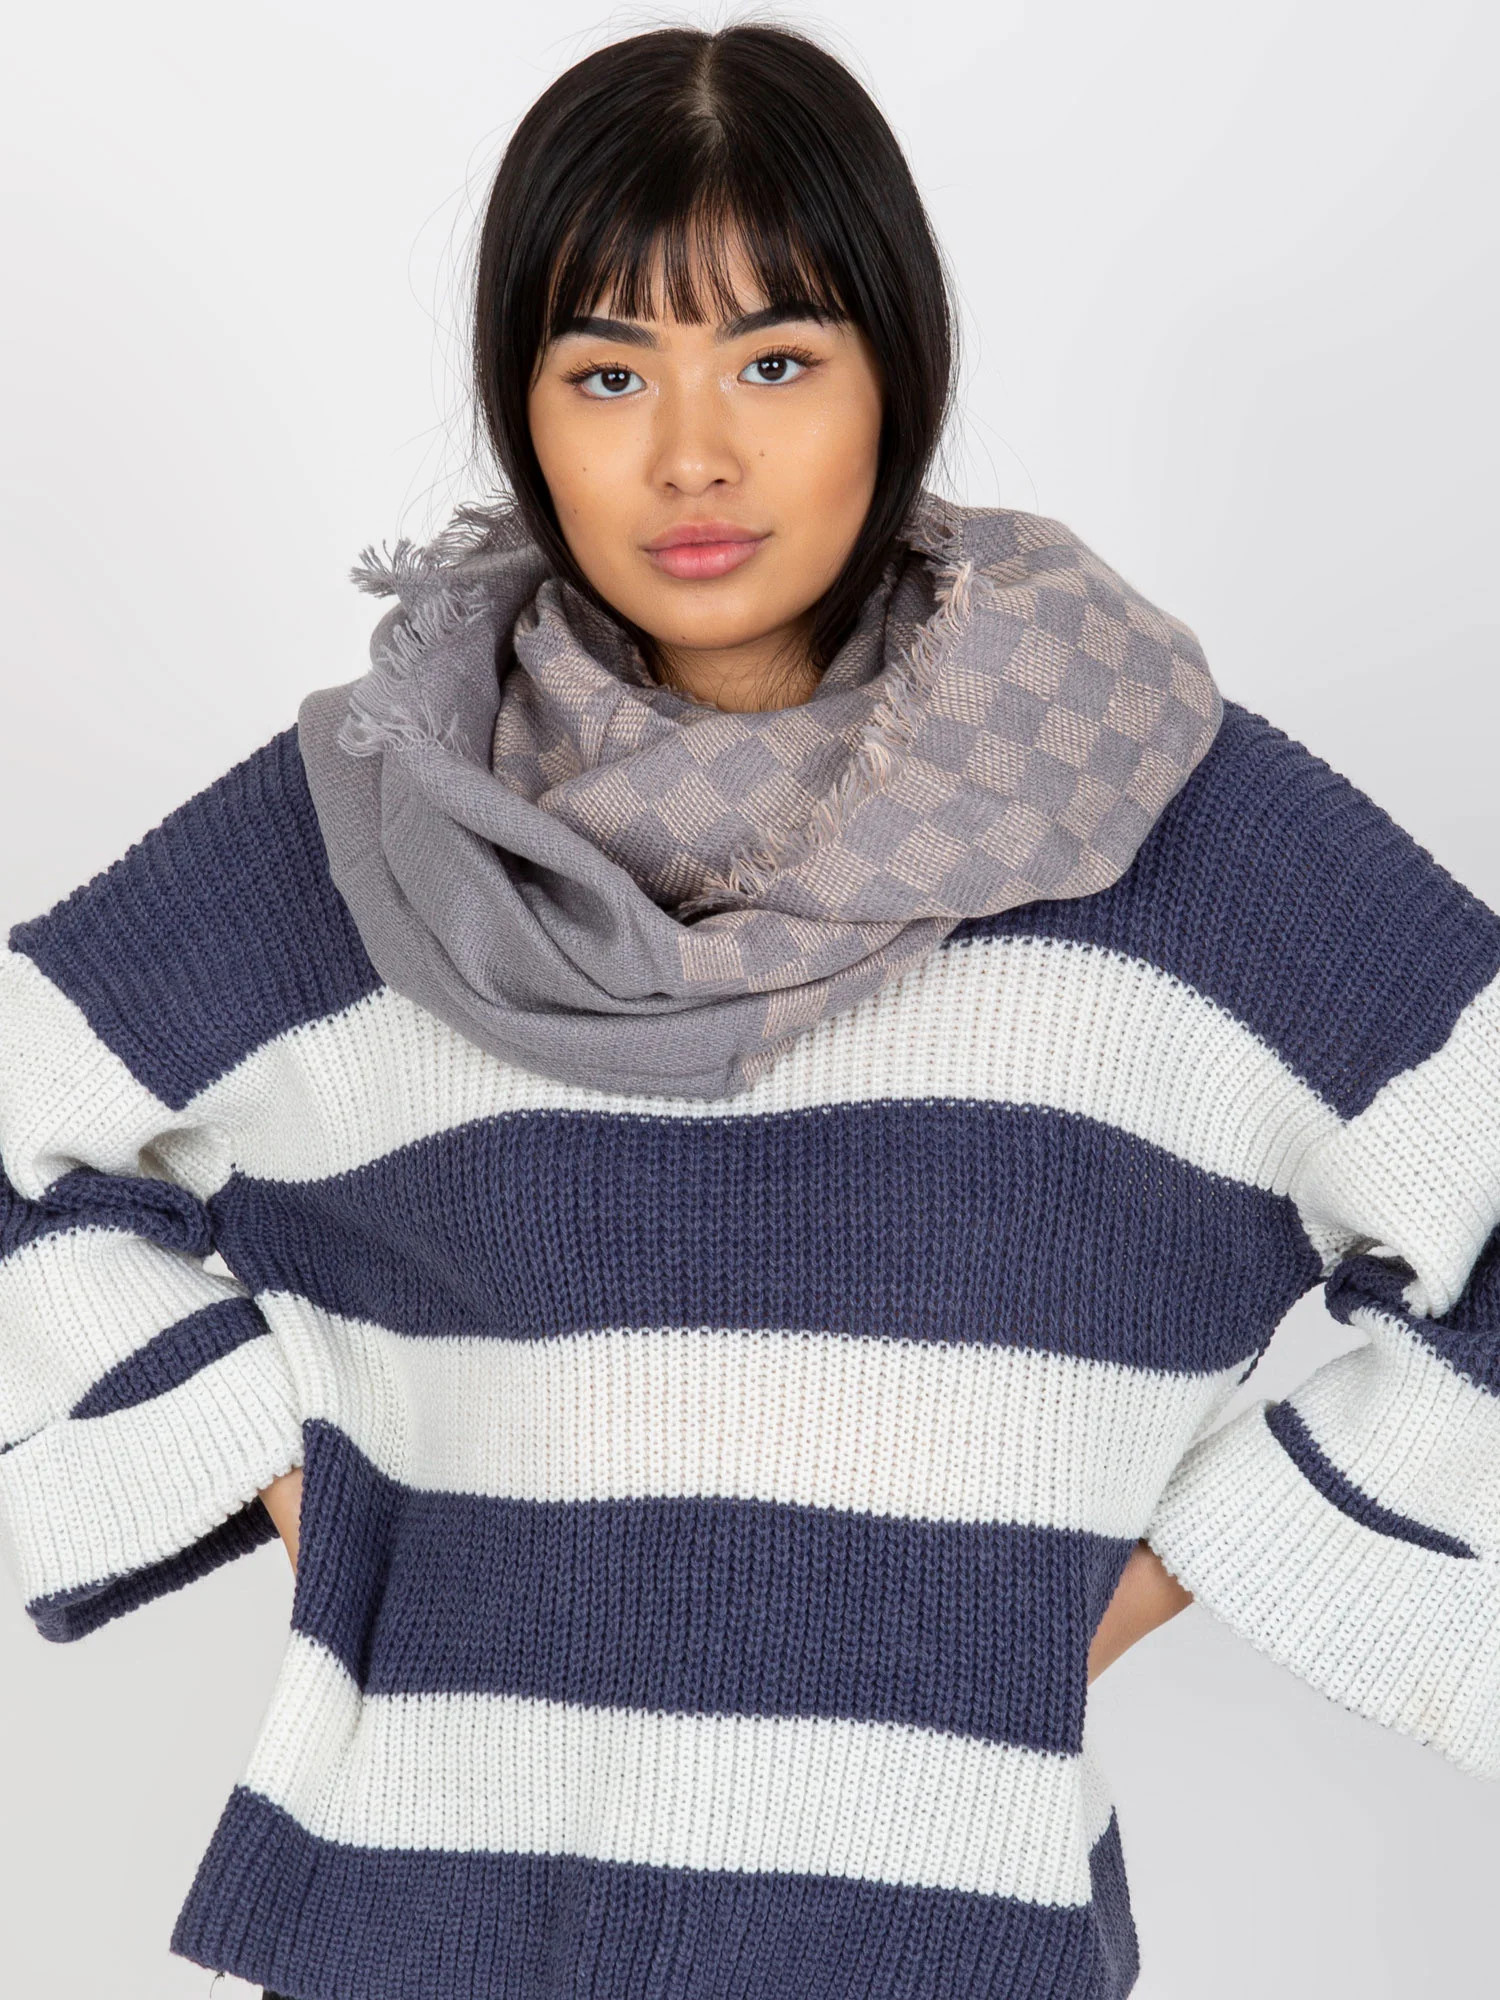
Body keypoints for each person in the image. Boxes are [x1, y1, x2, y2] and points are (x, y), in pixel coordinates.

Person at [1, 20, 1495, 2000]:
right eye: (607, 371)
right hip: (422, 1934)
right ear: (522, 410)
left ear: (900, 376)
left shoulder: (1155, 814)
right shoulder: (383, 821)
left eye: (776, 362)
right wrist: (306, 1495)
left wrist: (1156, 1579)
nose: (690, 456)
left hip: (934, 1945)